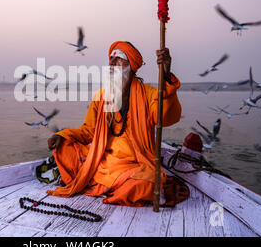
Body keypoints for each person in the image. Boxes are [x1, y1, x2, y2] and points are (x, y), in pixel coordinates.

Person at [46, 41, 186, 207]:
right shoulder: (102, 95)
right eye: (111, 59)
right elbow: (88, 130)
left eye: (118, 58)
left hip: (133, 166)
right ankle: (108, 185)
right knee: (64, 147)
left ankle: (102, 185)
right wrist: (62, 135)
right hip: (101, 161)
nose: (111, 63)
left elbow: (167, 117)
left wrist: (166, 74)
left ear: (131, 66)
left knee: (149, 183)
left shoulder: (149, 94)